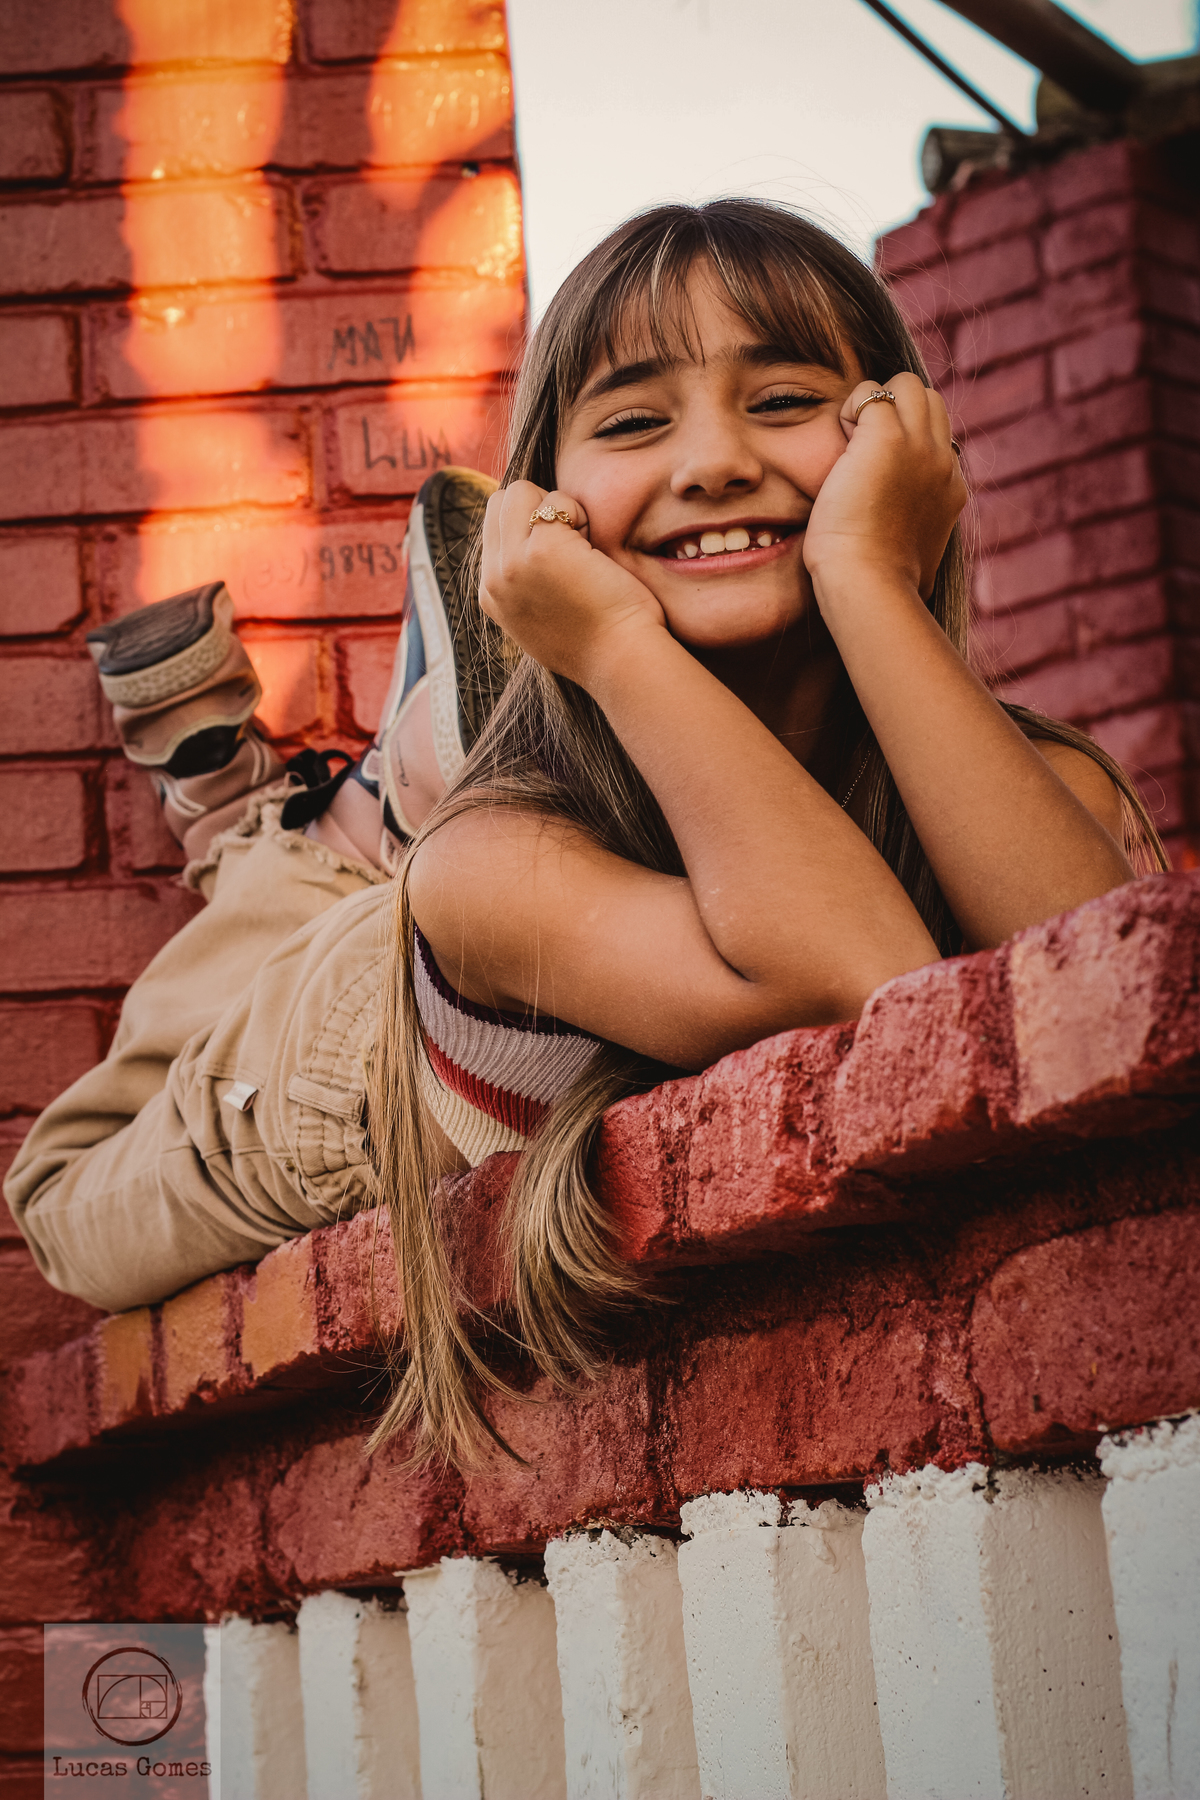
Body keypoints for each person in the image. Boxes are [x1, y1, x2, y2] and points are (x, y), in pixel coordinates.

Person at [7, 199, 1165, 1471]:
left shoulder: (1025, 778)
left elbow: (1109, 991)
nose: (717, 459)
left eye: (783, 401)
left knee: (456, 814)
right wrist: (611, 642)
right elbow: (878, 986)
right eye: (632, 421)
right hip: (325, 1049)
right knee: (63, 1203)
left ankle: (426, 749)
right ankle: (271, 830)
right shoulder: (497, 870)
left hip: (537, 868)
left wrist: (871, 580)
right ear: (546, 509)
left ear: (905, 444)